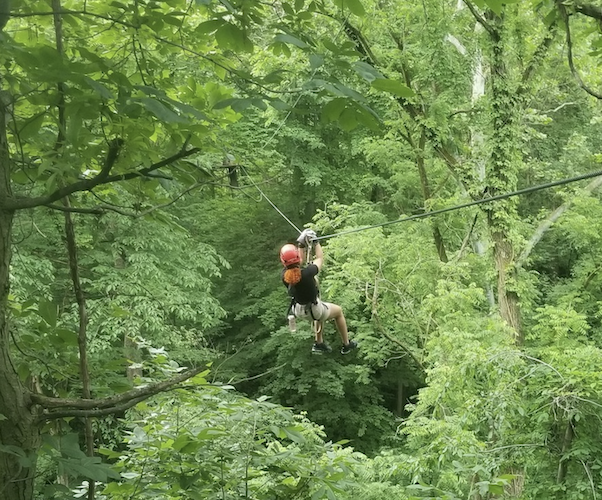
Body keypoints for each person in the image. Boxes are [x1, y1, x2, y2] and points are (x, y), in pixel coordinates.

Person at [280, 229, 358, 355]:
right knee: (338, 311)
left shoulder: (284, 275)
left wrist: (301, 244)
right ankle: (346, 344)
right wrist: (316, 243)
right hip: (315, 310)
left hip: (298, 310)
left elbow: (296, 263)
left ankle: (319, 343)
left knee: (319, 310)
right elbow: (320, 258)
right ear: (297, 258)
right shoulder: (307, 273)